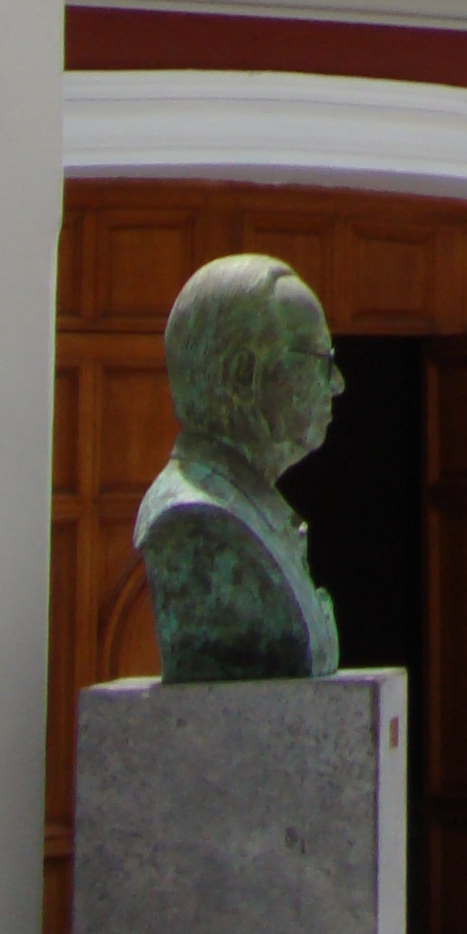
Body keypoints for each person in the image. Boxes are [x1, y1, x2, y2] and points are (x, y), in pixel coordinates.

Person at [136, 252, 343, 680]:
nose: (338, 382)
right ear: (244, 374)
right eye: (322, 360)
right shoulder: (194, 520)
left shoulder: (251, 510)